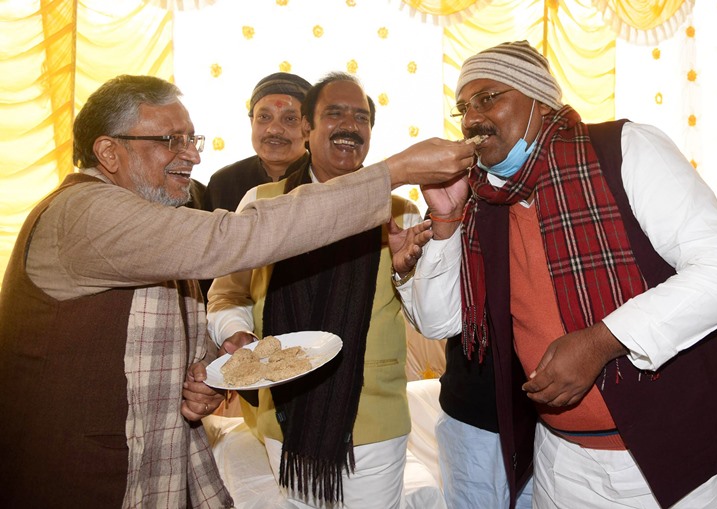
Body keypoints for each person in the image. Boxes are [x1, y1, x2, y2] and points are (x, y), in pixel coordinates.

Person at [0, 74, 475, 509]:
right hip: (80, 473)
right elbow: (234, 245)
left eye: (192, 139)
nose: (193, 156)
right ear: (108, 153)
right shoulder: (85, 213)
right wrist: (394, 170)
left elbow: (171, 322)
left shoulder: (149, 221)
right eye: (171, 140)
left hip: (161, 460)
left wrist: (202, 375)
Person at [395, 40, 717, 508]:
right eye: (463, 107)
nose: (471, 119)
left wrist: (600, 342)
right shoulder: (482, 197)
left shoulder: (624, 149)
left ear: (540, 100)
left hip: (687, 454)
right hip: (565, 464)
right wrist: (444, 219)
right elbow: (439, 321)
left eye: (488, 98)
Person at [206, 72, 427, 509]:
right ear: (307, 127)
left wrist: (407, 273)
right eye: (334, 113)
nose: (349, 125)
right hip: (285, 415)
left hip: (375, 418)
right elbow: (227, 294)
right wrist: (238, 335)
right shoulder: (263, 203)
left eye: (361, 117)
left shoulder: (400, 211)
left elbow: (428, 318)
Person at [202, 72, 312, 213]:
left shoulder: (323, 179)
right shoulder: (223, 183)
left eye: (290, 119)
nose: (274, 129)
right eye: (264, 117)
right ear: (251, 122)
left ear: (309, 127)